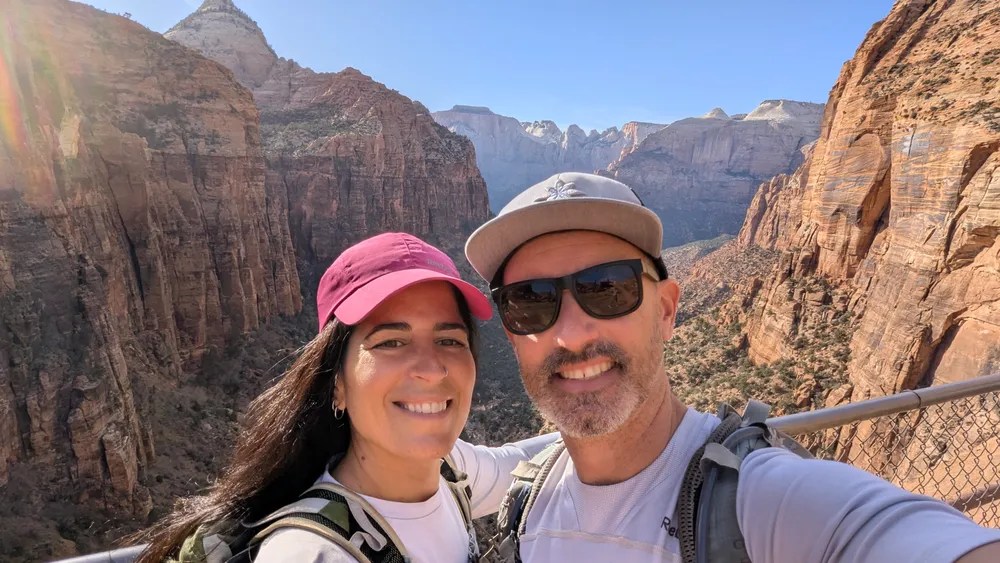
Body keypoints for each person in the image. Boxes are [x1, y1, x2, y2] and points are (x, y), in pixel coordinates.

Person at [464, 172, 1000, 563]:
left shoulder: (759, 500)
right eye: (529, 300)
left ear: (667, 310)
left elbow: (882, 531)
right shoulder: (529, 495)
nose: (572, 333)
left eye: (607, 288)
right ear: (511, 335)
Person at [132, 232, 554, 563]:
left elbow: (521, 462)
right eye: (391, 342)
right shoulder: (311, 554)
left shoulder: (450, 470)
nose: (431, 369)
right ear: (337, 383)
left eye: (449, 340)